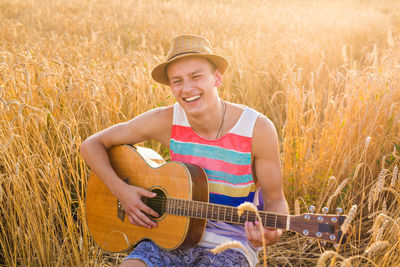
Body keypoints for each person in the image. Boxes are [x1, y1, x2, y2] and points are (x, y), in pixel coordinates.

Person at [80, 34, 289, 267]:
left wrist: (272, 234)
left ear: (217, 78)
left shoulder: (257, 129)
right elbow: (91, 145)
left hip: (231, 244)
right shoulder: (165, 120)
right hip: (168, 234)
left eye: (196, 76)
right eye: (177, 81)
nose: (187, 88)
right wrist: (122, 190)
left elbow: (275, 199)